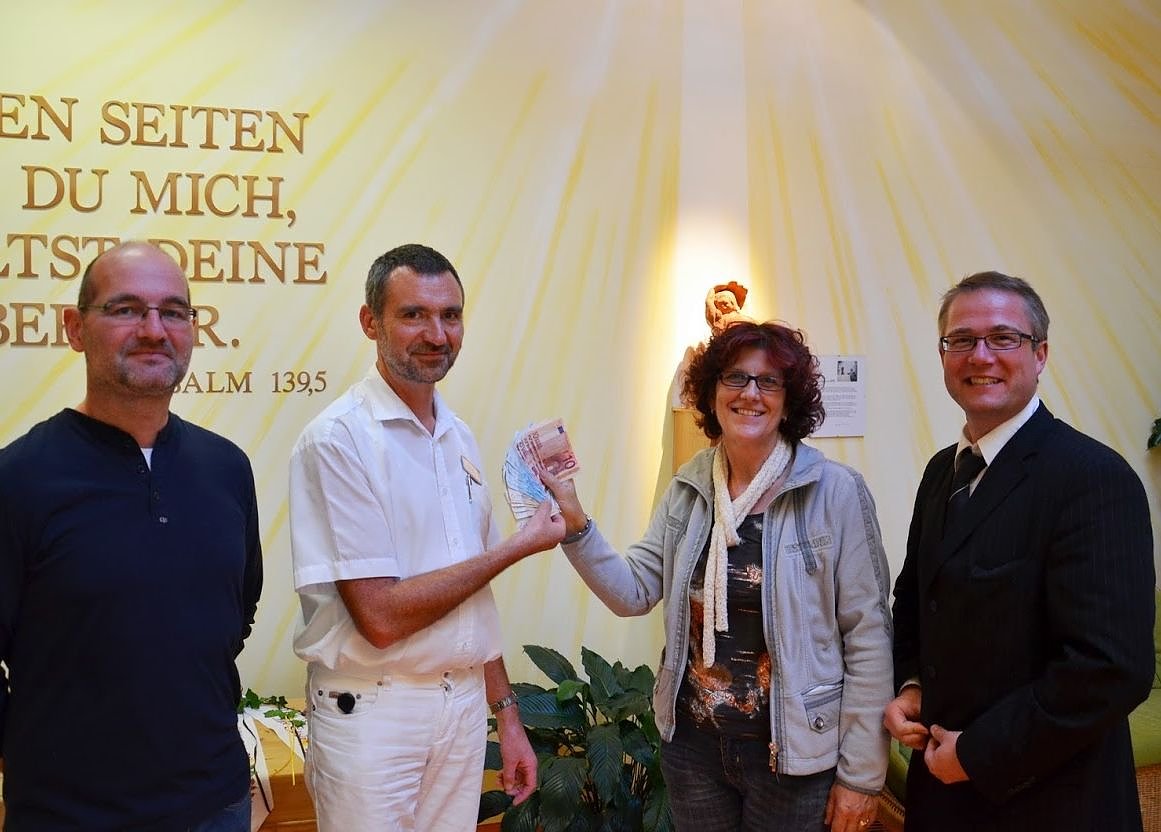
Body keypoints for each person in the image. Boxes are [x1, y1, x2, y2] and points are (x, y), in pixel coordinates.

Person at [545, 320, 893, 832]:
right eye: (735, 377)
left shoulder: (835, 492)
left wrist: (861, 777)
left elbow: (868, 635)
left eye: (768, 381)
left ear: (788, 401)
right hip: (695, 753)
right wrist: (577, 526)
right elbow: (633, 592)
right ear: (712, 393)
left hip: (793, 758)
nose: (750, 393)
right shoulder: (689, 488)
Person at [289, 243, 564, 831]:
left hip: (461, 706)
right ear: (370, 322)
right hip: (374, 712)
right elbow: (381, 618)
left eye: (450, 315)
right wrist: (517, 547)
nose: (437, 335)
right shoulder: (338, 440)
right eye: (413, 314)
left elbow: (472, 594)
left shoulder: (457, 436)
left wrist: (506, 715)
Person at [0, 242, 263, 831]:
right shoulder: (18, 478)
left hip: (216, 806)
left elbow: (236, 612)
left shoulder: (227, 468)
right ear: (75, 328)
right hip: (68, 816)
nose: (153, 330)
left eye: (173, 311)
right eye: (125, 309)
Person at [884, 271, 1155, 830]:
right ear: (943, 356)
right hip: (941, 794)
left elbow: (1111, 668)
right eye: (961, 339)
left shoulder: (1093, 477)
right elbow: (915, 601)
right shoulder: (940, 473)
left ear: (1040, 354)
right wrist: (910, 685)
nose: (980, 355)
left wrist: (978, 753)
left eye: (1004, 338)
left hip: (1050, 801)